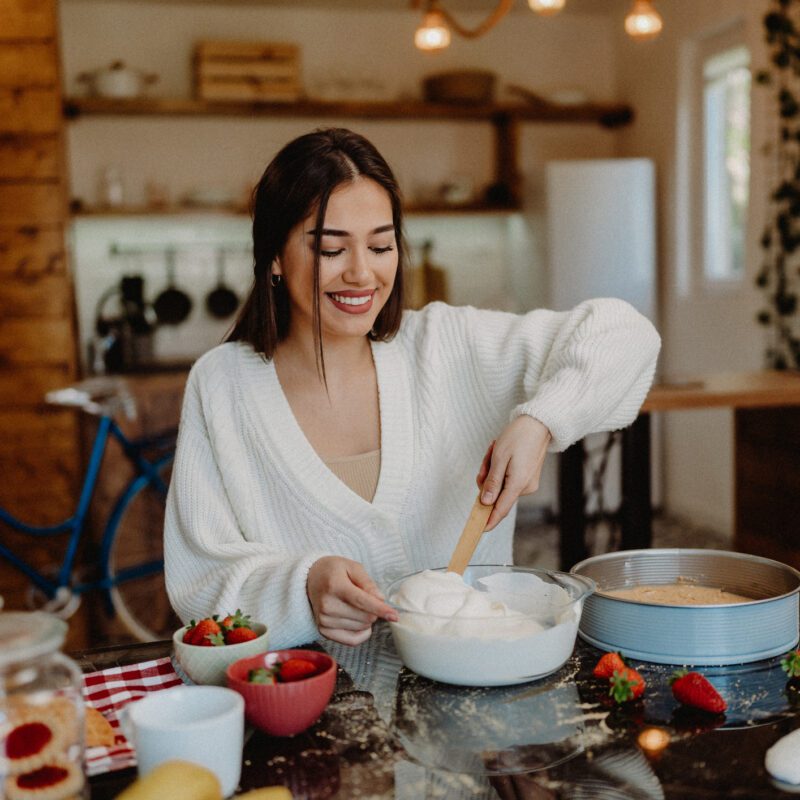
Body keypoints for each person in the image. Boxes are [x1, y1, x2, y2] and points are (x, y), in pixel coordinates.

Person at [164, 127, 660, 650]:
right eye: (332, 249)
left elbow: (625, 334)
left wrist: (541, 421)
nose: (362, 273)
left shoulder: (446, 346)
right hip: (313, 704)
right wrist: (303, 586)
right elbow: (202, 586)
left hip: (475, 691)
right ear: (274, 258)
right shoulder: (221, 385)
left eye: (381, 245)